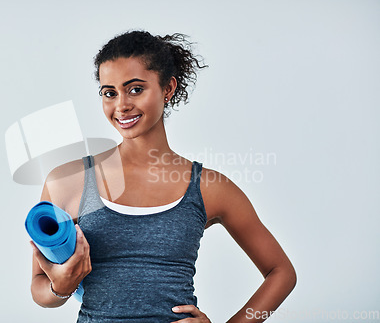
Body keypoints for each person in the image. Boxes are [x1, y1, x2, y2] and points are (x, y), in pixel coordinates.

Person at [29, 30, 296, 322]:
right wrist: (61, 286)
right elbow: (39, 289)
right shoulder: (69, 180)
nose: (121, 105)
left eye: (135, 89)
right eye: (109, 93)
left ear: (168, 88)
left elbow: (281, 273)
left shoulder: (209, 187)